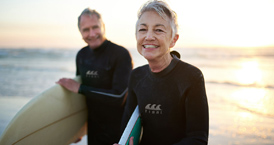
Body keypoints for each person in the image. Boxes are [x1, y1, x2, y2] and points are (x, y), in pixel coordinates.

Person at [119, 0, 209, 145]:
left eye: (159, 30)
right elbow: (127, 129)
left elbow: (198, 138)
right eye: (143, 29)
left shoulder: (192, 77)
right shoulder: (136, 76)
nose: (148, 36)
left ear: (173, 40)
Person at [56, 8, 133, 145]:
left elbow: (119, 97)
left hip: (118, 132)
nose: (91, 34)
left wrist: (80, 88)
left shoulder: (120, 55)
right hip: (93, 131)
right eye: (86, 29)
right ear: (80, 32)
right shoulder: (82, 56)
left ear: (103, 27)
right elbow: (81, 100)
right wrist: (76, 129)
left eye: (95, 27)